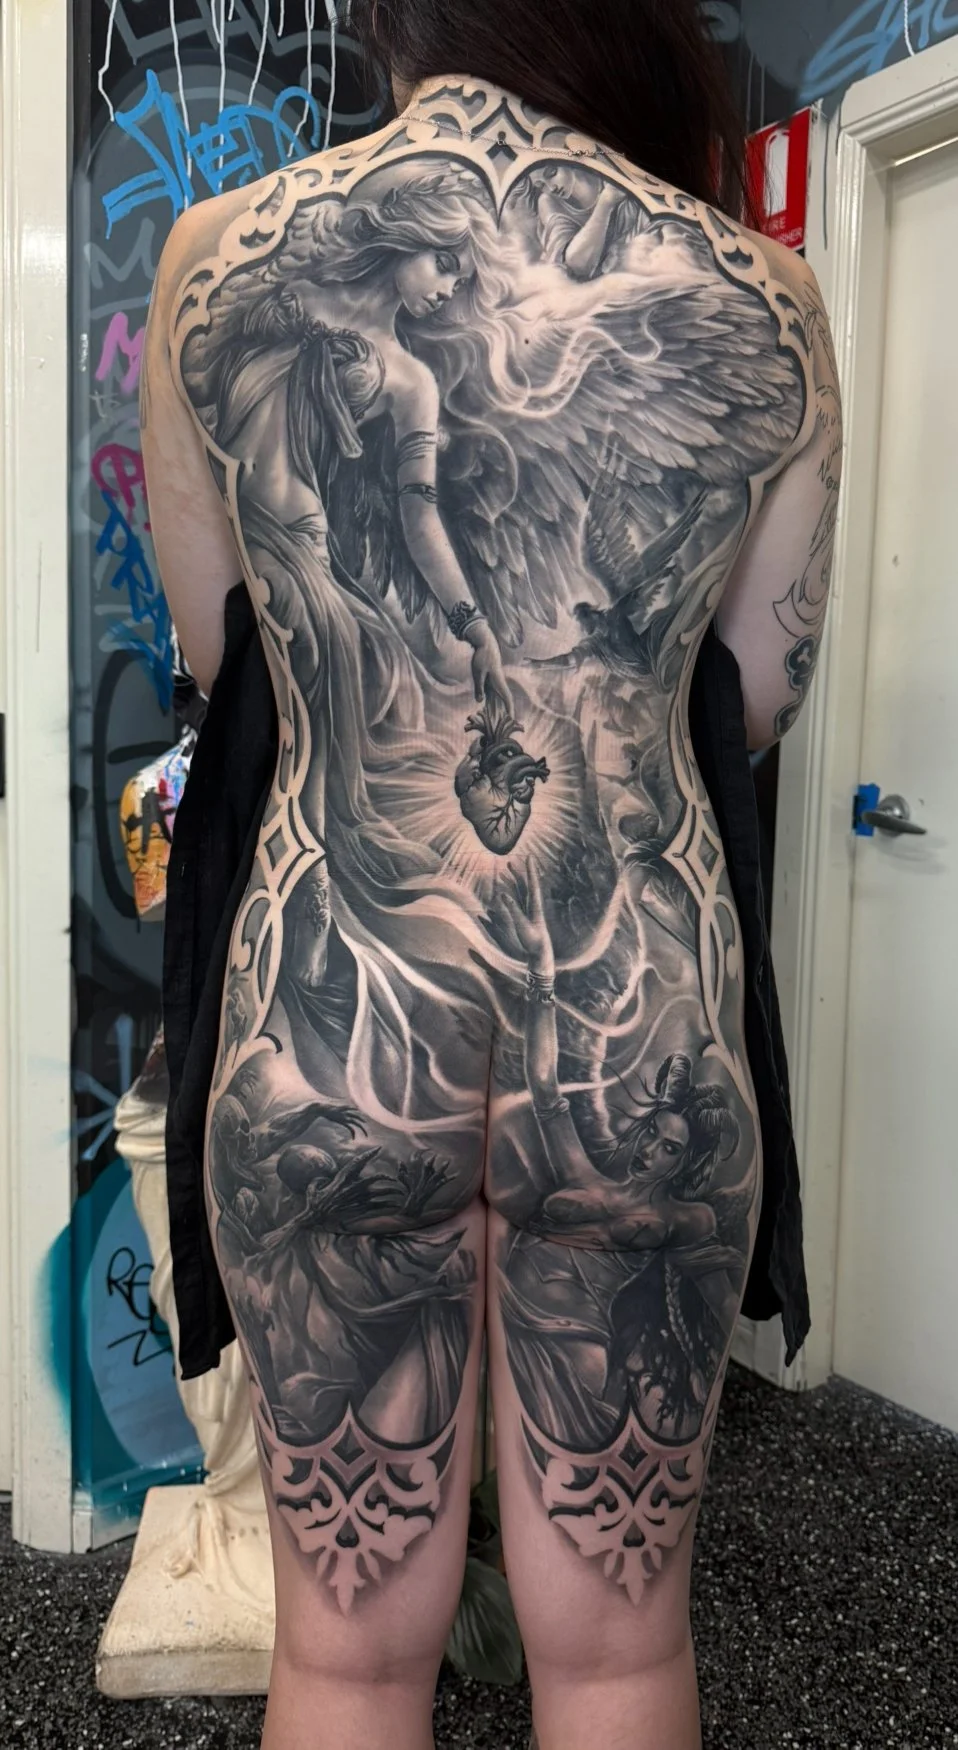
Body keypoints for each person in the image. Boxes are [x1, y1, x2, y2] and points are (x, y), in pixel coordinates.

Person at [141, 0, 842, 1743]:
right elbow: (753, 696)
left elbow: (223, 657)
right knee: (615, 1653)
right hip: (631, 1024)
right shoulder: (763, 297)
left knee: (342, 1656)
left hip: (331, 1007)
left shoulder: (221, 261)